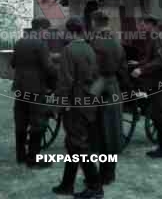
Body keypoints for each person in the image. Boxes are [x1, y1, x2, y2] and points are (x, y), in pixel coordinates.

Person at [52, 17, 103, 198]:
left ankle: (95, 187)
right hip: (88, 102)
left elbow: (65, 81)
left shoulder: (69, 50)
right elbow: (97, 76)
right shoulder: (89, 48)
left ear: (70, 31)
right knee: (73, 144)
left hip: (75, 104)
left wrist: (58, 106)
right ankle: (67, 184)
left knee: (78, 145)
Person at [87, 11, 130, 185]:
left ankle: (97, 175)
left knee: (95, 134)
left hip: (97, 89)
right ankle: (109, 174)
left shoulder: (94, 42)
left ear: (94, 22)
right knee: (111, 133)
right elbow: (123, 68)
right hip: (113, 89)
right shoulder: (117, 42)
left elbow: (90, 68)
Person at [11, 17, 57, 168]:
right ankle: (33, 159)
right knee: (38, 123)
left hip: (20, 87)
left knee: (21, 121)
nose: (47, 34)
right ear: (41, 29)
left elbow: (12, 63)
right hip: (36, 88)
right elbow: (48, 68)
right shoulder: (40, 44)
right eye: (47, 31)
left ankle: (20, 156)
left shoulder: (19, 42)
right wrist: (58, 77)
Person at [131, 14, 162, 158]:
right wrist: (137, 64)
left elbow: (160, 62)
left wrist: (141, 70)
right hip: (156, 82)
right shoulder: (153, 37)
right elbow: (150, 58)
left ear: (149, 24)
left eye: (142, 24)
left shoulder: (158, 38)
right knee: (157, 116)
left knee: (161, 116)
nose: (140, 27)